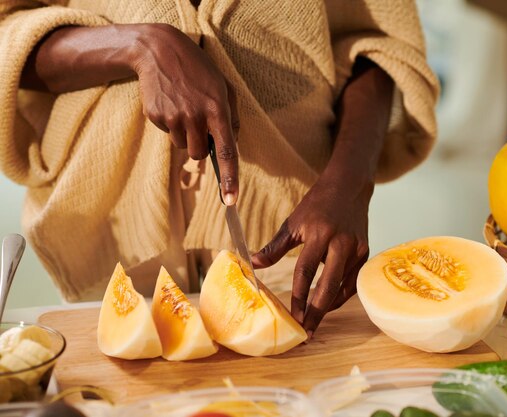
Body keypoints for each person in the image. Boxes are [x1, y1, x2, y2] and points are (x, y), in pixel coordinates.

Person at [0, 0, 438, 335]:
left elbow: (380, 43)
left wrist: (350, 183)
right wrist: (140, 45)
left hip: (290, 218)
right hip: (107, 212)